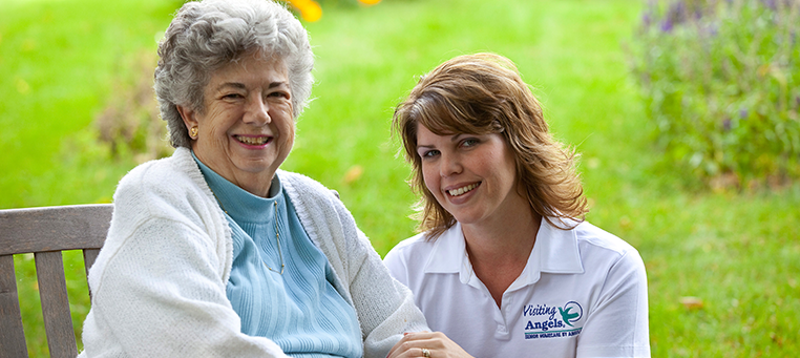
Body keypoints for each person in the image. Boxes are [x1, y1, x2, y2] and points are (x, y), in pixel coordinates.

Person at [79, 0, 428, 357]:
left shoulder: (315, 205)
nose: (259, 114)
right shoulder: (157, 200)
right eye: (234, 95)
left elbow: (400, 326)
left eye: (276, 94)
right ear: (190, 115)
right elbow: (199, 348)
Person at [384, 53, 651, 358]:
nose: (447, 169)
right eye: (430, 153)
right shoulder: (404, 270)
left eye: (467, 142)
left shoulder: (609, 269)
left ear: (518, 142)